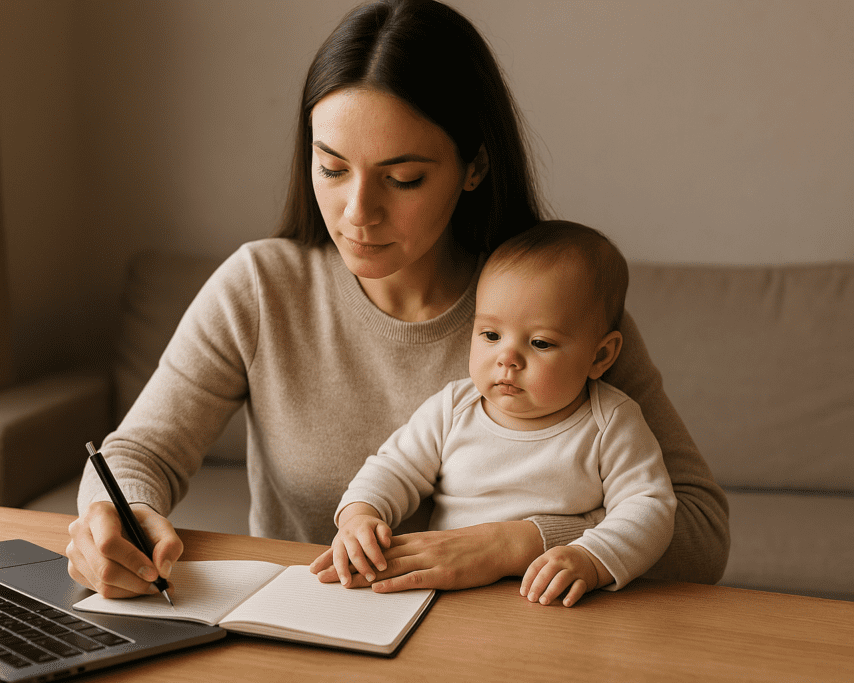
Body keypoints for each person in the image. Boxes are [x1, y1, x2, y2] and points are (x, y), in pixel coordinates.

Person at [66, 0, 729, 600]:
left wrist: (517, 541)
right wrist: (109, 519)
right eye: (331, 167)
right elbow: (139, 454)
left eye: (403, 178)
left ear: (474, 167)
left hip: (511, 645)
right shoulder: (261, 288)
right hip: (314, 629)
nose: (357, 212)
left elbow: (700, 528)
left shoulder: (554, 309)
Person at [315, 221, 676, 607]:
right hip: (443, 596)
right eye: (490, 335)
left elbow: (649, 506)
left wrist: (593, 558)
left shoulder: (611, 423)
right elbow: (393, 468)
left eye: (539, 342)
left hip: (553, 602)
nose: (507, 358)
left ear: (601, 355)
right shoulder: (454, 408)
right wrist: (360, 515)